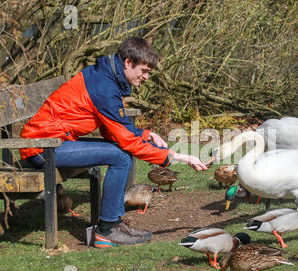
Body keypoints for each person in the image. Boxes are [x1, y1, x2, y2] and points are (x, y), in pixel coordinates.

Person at [19, 37, 208, 247]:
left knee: (121, 153)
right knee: (120, 155)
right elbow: (126, 141)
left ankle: (114, 223)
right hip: (41, 148)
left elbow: (114, 128)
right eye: (144, 70)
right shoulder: (104, 86)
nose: (146, 77)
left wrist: (145, 134)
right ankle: (107, 229)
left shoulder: (106, 78)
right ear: (128, 62)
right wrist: (177, 157)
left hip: (56, 142)